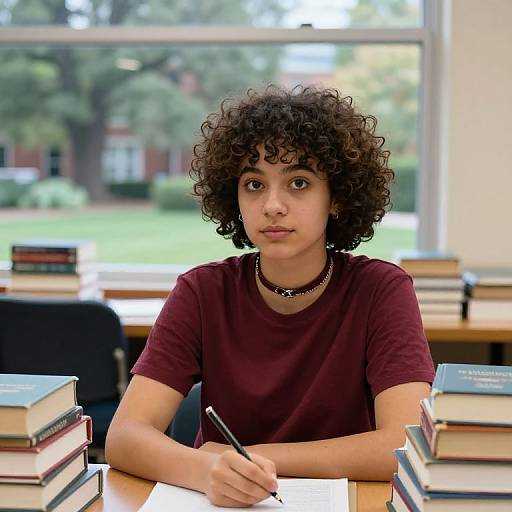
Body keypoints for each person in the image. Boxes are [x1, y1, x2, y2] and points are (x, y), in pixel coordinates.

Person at [105, 85, 435, 508]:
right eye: (254, 184)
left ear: (335, 198)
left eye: (299, 182)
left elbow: (405, 445)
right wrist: (206, 471)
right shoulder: (202, 292)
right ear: (234, 197)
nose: (273, 205)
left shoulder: (381, 290)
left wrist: (249, 458)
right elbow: (124, 436)